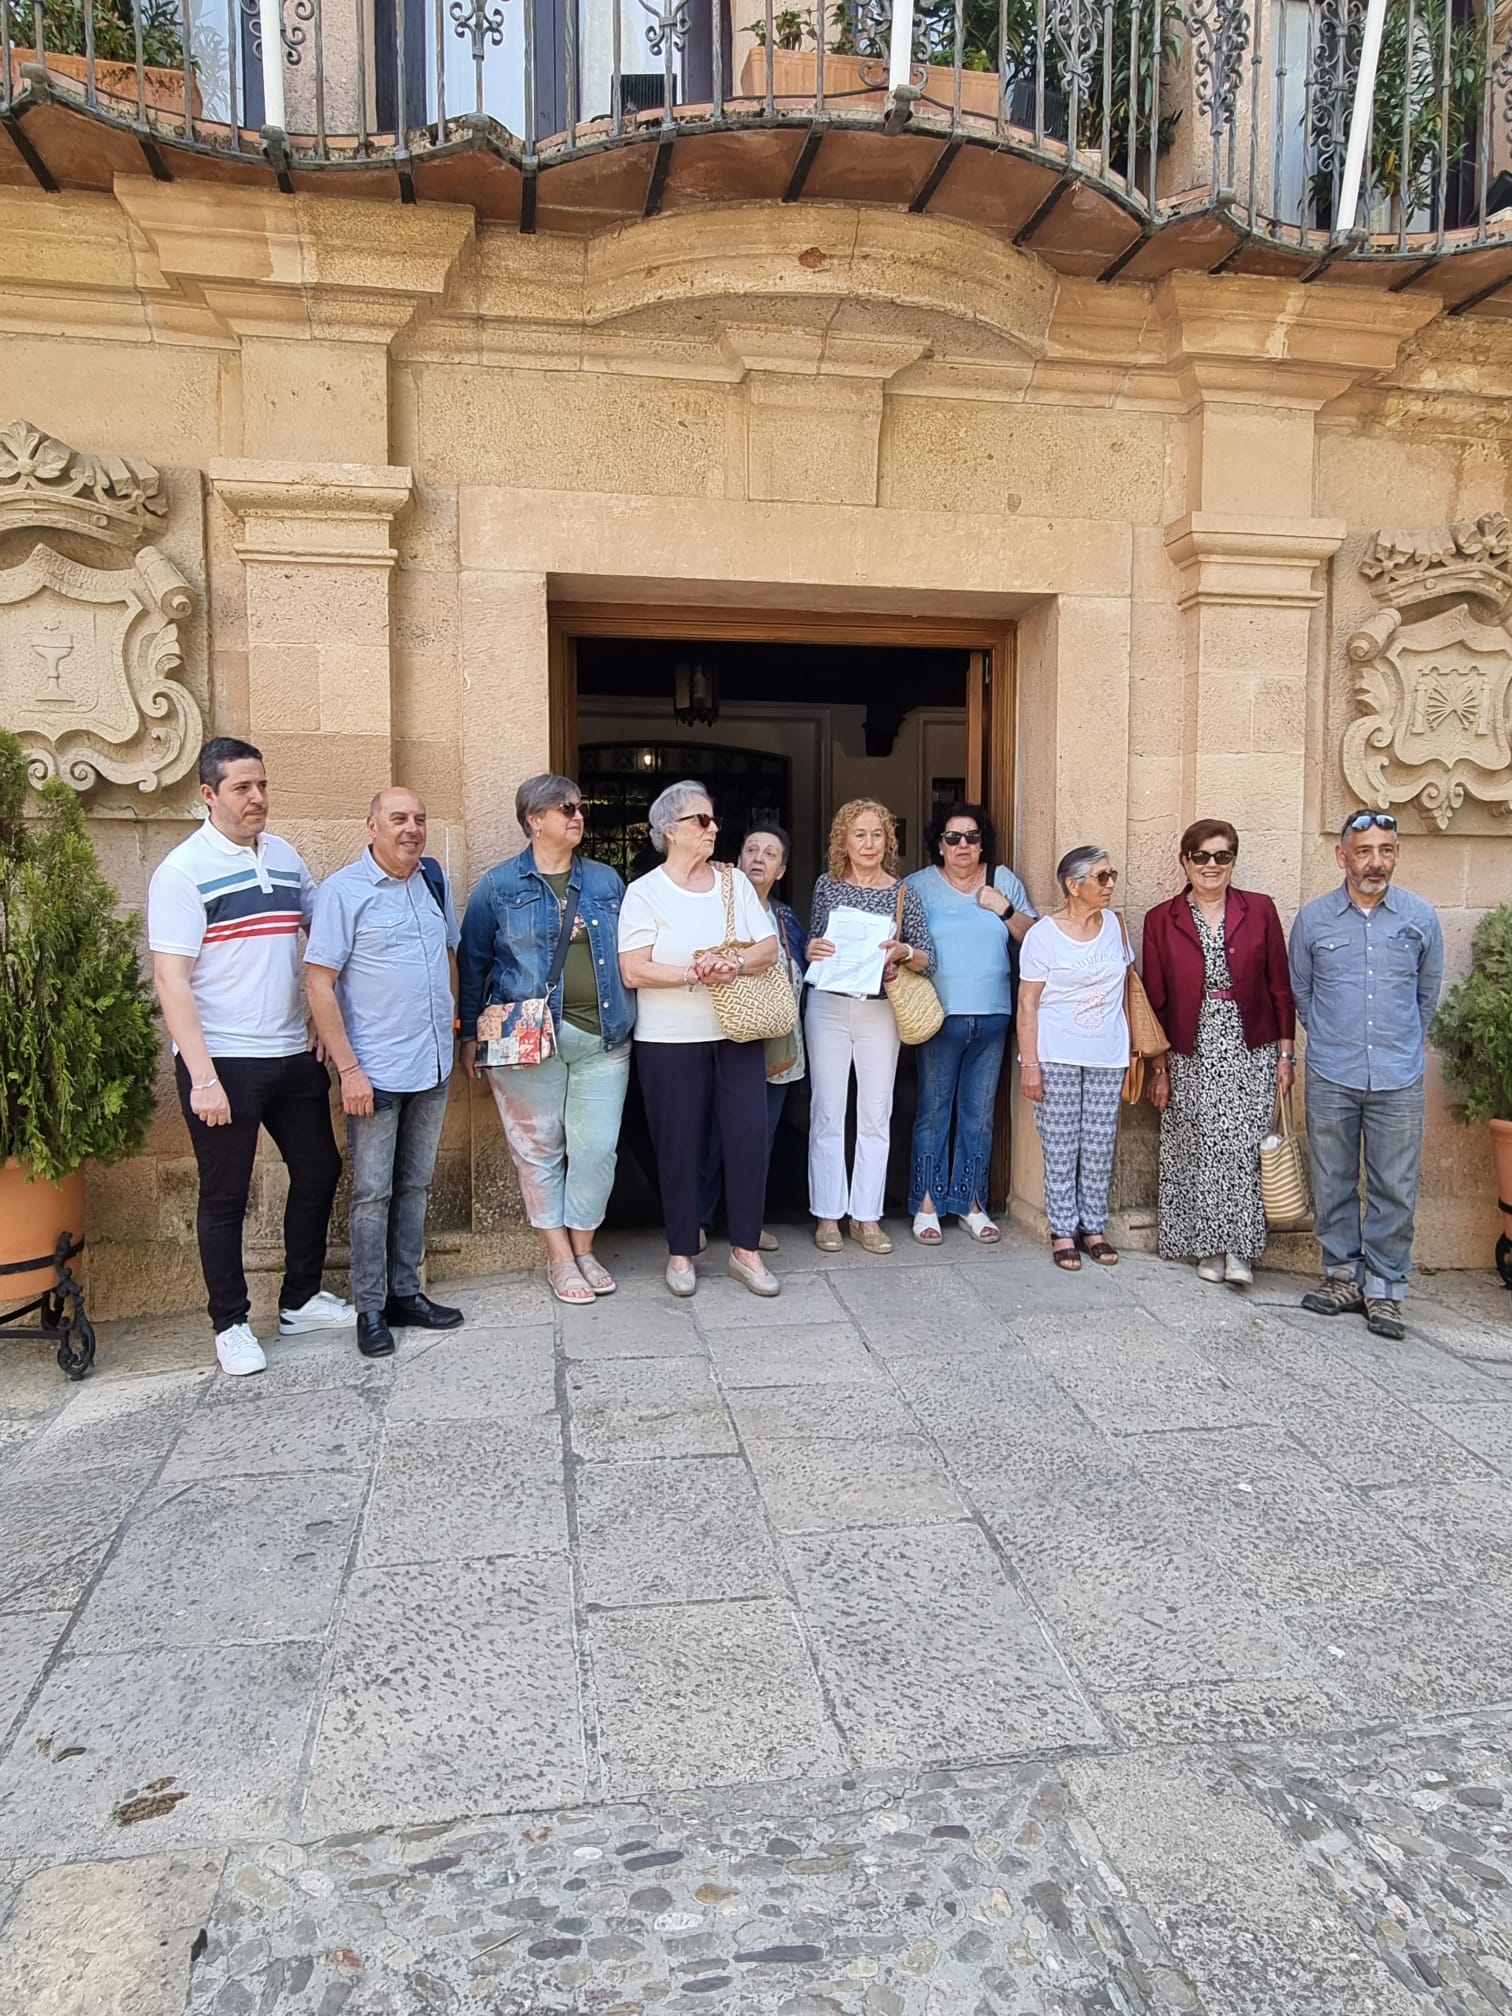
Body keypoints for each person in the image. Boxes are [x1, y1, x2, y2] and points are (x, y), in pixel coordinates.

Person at [147, 738, 353, 1377]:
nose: (257, 797)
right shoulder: (182, 872)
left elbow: (321, 935)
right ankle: (231, 1323)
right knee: (225, 1196)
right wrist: (201, 1076)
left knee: (319, 1170)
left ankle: (298, 1300)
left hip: (291, 1049)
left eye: (261, 784)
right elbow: (171, 979)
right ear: (208, 795)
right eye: (241, 788)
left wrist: (319, 1018)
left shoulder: (286, 857)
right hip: (223, 1062)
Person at [458, 775, 634, 1307]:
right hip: (526, 1040)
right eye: (564, 809)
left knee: (597, 1149)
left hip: (603, 1036)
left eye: (580, 807)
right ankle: (560, 1257)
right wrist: (469, 1034)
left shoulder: (606, 882)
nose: (577, 816)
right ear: (534, 820)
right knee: (537, 1152)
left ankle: (584, 1247)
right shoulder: (497, 886)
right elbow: (473, 965)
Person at [304, 788, 464, 1360]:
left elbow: (449, 954)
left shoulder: (433, 882)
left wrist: (453, 1016)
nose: (412, 829)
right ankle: (369, 1307)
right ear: (370, 826)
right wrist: (348, 1070)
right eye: (398, 819)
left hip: (433, 1064)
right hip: (373, 1071)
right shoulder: (343, 893)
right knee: (372, 1194)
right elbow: (319, 983)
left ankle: (405, 1293)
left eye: (420, 819)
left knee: (416, 1186)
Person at [617, 780, 781, 1299]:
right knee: (679, 1144)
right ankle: (682, 1251)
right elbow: (633, 970)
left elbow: (769, 948)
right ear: (670, 831)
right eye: (701, 821)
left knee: (748, 1138)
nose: (713, 829)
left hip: (736, 1031)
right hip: (668, 1039)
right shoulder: (643, 892)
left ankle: (746, 1252)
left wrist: (730, 962)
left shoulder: (733, 885)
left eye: (713, 820)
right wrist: (694, 972)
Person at [1289, 810, 1444, 1340]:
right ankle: (1340, 1276)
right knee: (1332, 1178)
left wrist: (1397, 1045)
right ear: (1342, 857)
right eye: (1364, 851)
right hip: (1333, 1069)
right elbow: (1302, 993)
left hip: (1398, 1075)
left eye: (1385, 850)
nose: (1375, 862)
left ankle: (1384, 1288)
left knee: (1394, 1185)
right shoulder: (1313, 920)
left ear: (1396, 854)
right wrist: (1333, 1038)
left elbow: (1427, 996)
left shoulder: (1420, 918)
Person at [1140, 820, 1296, 1288]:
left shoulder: (1261, 910)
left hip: (1251, 1043)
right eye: (1202, 857)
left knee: (1244, 1146)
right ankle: (1206, 1246)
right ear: (1185, 861)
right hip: (1190, 1043)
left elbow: (1280, 986)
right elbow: (1156, 998)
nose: (1212, 866)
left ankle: (1241, 1251)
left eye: (1222, 856)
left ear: (1233, 861)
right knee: (1199, 1144)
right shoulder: (1160, 918)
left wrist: (1286, 1055)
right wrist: (1159, 1066)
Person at [806, 799, 935, 1256]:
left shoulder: (903, 892)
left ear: (888, 841)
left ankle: (866, 1216)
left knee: (875, 1113)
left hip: (880, 1010)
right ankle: (827, 1215)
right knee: (827, 1110)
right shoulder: (827, 886)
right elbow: (814, 941)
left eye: (877, 834)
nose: (868, 843)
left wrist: (902, 953)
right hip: (828, 1007)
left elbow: (927, 957)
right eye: (858, 834)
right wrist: (812, 947)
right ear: (843, 840)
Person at [905, 800, 1035, 1245]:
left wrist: (1003, 909)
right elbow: (894, 941)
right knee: (933, 1113)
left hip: (994, 1015)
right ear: (939, 845)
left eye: (972, 837)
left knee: (978, 1117)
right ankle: (926, 1203)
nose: (963, 845)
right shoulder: (917, 886)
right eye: (953, 837)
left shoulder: (1003, 881)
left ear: (983, 844)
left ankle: (970, 1203)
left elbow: (1035, 939)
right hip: (939, 1017)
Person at [1016, 845, 1132, 1270]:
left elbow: (1126, 992)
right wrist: (1030, 1064)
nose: (1110, 884)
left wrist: (1133, 1051)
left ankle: (1094, 1227)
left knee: (1100, 1144)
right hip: (1057, 1053)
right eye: (1101, 877)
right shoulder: (1043, 935)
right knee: (1061, 1146)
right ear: (1073, 884)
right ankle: (1063, 1229)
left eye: (1111, 874)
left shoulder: (1116, 927)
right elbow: (1027, 1004)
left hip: (1108, 1052)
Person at [698, 823, 808, 1252]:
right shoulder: (717, 907)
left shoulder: (785, 919)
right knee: (713, 1137)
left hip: (777, 1042)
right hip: (726, 1038)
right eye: (751, 849)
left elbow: (801, 972)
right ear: (737, 860)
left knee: (759, 1140)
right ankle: (702, 1219)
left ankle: (748, 1223)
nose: (759, 858)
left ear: (781, 870)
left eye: (770, 854)